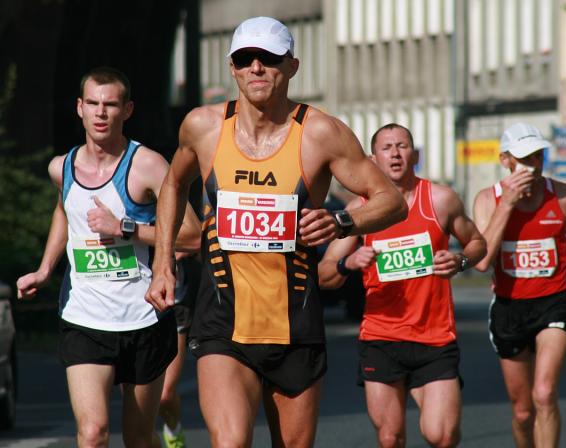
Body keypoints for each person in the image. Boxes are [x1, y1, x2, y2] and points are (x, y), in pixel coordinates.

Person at [144, 16, 407, 448]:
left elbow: (391, 200)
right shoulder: (203, 127)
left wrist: (341, 222)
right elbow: (173, 183)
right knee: (231, 442)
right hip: (223, 321)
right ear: (232, 68)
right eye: (245, 59)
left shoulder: (321, 133)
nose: (256, 67)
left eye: (268, 58)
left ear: (292, 66)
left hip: (295, 323)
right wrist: (162, 264)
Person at [16, 66, 200, 448]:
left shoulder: (148, 165)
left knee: (138, 437)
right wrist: (45, 269)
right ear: (79, 108)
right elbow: (65, 211)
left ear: (127, 110)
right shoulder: (61, 168)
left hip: (144, 316)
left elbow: (192, 235)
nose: (101, 113)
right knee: (92, 433)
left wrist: (124, 228)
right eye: (93, 103)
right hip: (84, 318)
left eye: (111, 105)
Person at [318, 123, 487, 447]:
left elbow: (478, 243)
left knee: (442, 435)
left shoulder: (440, 199)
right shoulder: (359, 211)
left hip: (435, 336)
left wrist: (460, 261)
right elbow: (324, 274)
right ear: (373, 159)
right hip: (381, 337)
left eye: (402, 146)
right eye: (386, 148)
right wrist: (347, 263)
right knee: (390, 437)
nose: (395, 154)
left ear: (415, 154)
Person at [472, 122, 566, 448]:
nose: (533, 165)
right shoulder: (487, 200)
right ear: (506, 160)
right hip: (509, 308)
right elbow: (482, 262)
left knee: (545, 393)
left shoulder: (564, 196)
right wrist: (507, 204)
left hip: (554, 302)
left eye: (538, 156)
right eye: (525, 158)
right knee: (523, 412)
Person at [157, 252, 200, 448]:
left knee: (164, 395)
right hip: (128, 306)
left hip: (173, 301)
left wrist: (169, 248)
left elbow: (195, 240)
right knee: (137, 407)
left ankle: (173, 431)